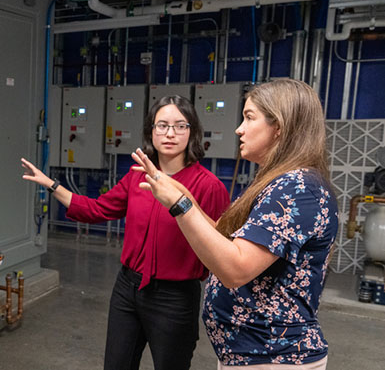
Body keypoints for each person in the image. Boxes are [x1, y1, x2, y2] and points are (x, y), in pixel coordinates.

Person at [131, 79, 338, 369]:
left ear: (278, 126)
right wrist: (183, 194)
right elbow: (226, 239)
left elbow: (236, 269)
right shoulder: (278, 182)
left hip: (274, 357)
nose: (239, 128)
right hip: (251, 353)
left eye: (249, 118)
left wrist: (180, 206)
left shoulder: (297, 188)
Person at [21, 95, 230, 370]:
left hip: (174, 297)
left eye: (180, 126)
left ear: (192, 132)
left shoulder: (208, 186)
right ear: (150, 132)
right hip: (127, 290)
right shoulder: (136, 176)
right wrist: (52, 185)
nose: (170, 133)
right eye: (162, 125)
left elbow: (222, 246)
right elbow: (96, 210)